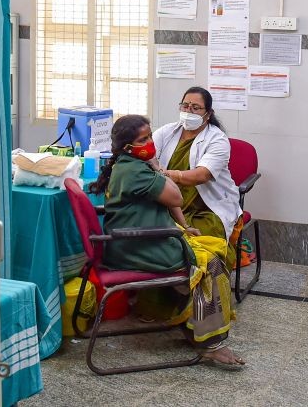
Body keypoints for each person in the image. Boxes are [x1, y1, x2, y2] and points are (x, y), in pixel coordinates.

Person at [88, 114, 245, 366]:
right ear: (129, 147)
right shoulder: (135, 171)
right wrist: (155, 166)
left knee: (210, 247)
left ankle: (192, 325)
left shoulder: (128, 164)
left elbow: (168, 202)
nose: (151, 141)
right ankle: (209, 342)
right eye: (144, 138)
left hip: (137, 241)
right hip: (138, 246)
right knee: (210, 264)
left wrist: (184, 227)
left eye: (150, 135)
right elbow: (176, 197)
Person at [153, 86, 244, 267]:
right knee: (157, 243)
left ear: (208, 113)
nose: (189, 111)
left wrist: (169, 174)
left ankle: (204, 288)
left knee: (201, 249)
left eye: (195, 108)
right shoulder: (167, 132)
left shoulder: (217, 139)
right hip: (170, 206)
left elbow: (202, 175)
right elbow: (148, 158)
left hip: (208, 209)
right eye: (185, 106)